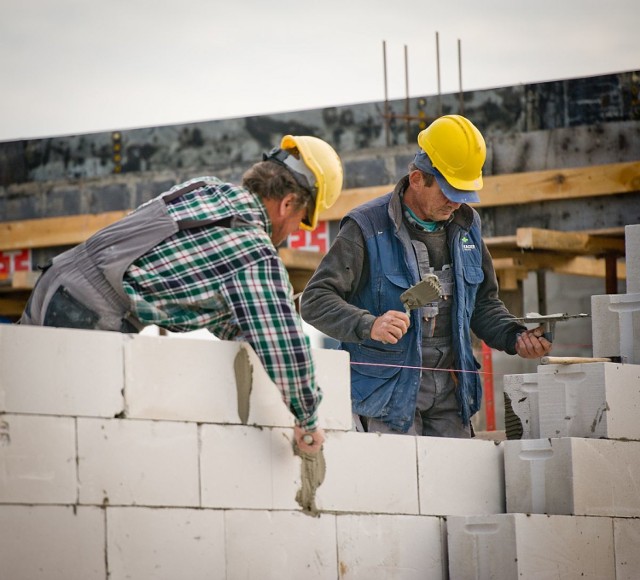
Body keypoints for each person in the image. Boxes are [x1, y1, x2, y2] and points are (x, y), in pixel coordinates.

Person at [19, 135, 343, 454]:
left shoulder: (204, 190)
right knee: (58, 445)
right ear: (287, 204)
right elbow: (282, 342)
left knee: (17, 409)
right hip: (89, 314)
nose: (295, 232)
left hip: (57, 282)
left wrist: (246, 333)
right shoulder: (253, 250)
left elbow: (204, 293)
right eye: (301, 221)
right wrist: (308, 419)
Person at [301, 115, 551, 438]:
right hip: (386, 396)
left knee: (455, 482)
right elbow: (315, 301)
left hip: (451, 393)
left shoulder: (467, 226)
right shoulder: (366, 227)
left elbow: (483, 305)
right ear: (417, 179)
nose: (456, 202)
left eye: (463, 192)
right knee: (398, 485)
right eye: (448, 191)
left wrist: (515, 337)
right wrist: (369, 324)